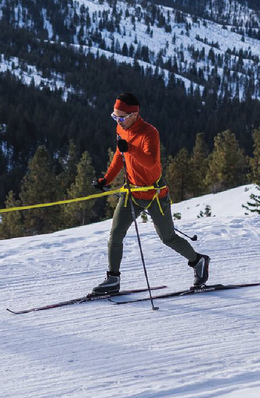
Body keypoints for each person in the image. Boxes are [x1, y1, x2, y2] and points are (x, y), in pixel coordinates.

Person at [90, 93, 210, 295]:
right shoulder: (121, 128)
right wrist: (106, 179)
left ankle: (198, 261)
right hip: (132, 193)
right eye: (114, 117)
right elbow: (120, 157)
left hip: (155, 193)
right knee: (116, 234)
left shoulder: (149, 133)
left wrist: (130, 149)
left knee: (168, 238)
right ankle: (112, 279)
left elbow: (151, 163)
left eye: (121, 117)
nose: (118, 121)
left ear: (135, 114)